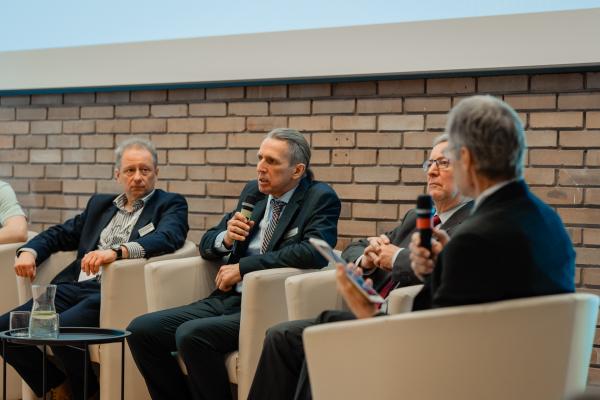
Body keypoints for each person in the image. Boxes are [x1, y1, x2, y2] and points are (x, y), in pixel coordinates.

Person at [248, 134, 473, 400]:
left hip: (414, 329)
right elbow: (357, 245)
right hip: (376, 314)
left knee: (322, 338)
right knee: (281, 336)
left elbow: (455, 271)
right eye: (430, 163)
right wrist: (366, 259)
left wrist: (397, 257)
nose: (432, 170)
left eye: (444, 163)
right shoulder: (416, 217)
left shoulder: (475, 224)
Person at [127, 128, 341, 400]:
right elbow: (206, 244)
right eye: (260, 158)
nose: (261, 168)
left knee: (192, 335)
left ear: (297, 171)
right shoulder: (255, 193)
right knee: (140, 331)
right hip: (226, 298)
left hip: (268, 302)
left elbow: (313, 251)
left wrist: (243, 268)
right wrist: (226, 239)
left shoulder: (319, 198)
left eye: (272, 162)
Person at [0, 137, 189, 400]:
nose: (137, 177)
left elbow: (169, 237)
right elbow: (60, 234)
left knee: (63, 328)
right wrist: (29, 252)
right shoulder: (100, 205)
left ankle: (85, 393)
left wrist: (116, 252)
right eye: (129, 170)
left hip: (111, 291)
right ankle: (58, 386)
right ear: (117, 174)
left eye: (145, 170)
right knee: (6, 329)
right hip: (73, 287)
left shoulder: (170, 204)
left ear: (156, 173)